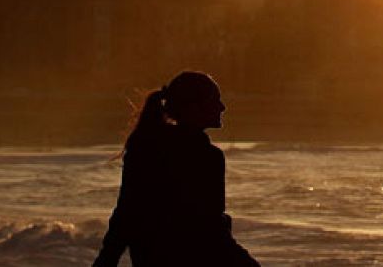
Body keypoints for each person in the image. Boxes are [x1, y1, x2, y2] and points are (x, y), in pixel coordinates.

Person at [92, 71, 258, 267]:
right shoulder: (207, 157)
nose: (222, 107)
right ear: (193, 108)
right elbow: (210, 229)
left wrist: (106, 259)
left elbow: (126, 212)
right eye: (215, 100)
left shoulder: (145, 148)